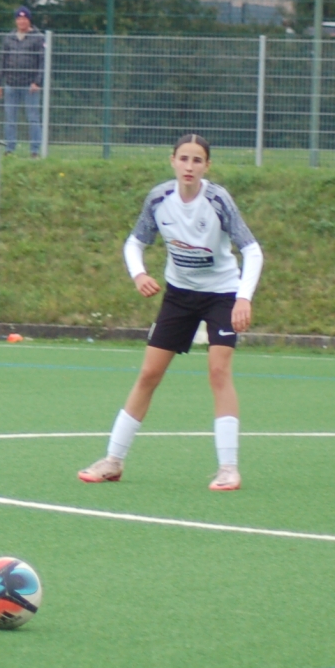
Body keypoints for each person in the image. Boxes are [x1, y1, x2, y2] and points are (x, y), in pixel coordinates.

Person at [77, 134, 262, 493]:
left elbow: (252, 250)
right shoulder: (159, 199)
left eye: (197, 160)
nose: (189, 167)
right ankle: (113, 460)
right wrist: (139, 274)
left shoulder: (218, 200)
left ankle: (228, 468)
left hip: (222, 294)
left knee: (218, 372)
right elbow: (134, 242)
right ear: (172, 161)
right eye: (184, 159)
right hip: (179, 295)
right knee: (149, 374)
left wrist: (244, 298)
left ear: (207, 166)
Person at [0, 6, 45, 157]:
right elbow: (3, 61)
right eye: (19, 19)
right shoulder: (9, 38)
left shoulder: (38, 37)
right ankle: (9, 149)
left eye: (24, 18)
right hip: (11, 84)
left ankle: (35, 150)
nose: (21, 21)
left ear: (29, 20)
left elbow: (42, 62)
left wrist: (37, 82)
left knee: (33, 119)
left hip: (30, 86)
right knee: (10, 119)